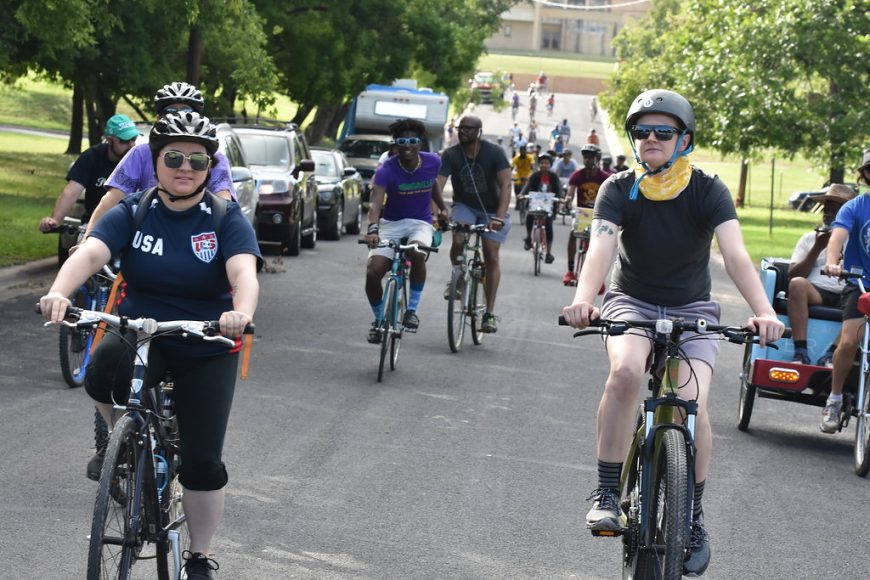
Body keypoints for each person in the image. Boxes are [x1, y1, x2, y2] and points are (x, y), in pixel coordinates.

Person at [560, 89, 784, 577]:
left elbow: (737, 254)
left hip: (692, 309)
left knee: (694, 404)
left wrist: (764, 310)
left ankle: (695, 518)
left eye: (664, 131)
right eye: (643, 131)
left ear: (684, 139)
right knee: (624, 374)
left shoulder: (708, 189)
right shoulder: (619, 187)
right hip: (631, 301)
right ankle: (605, 491)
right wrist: (584, 298)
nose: (652, 139)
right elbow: (601, 248)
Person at [39, 111, 261, 579]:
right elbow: (93, 251)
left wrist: (239, 313)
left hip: (207, 339)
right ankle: (129, 440)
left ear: (209, 167)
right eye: (173, 157)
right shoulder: (135, 210)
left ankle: (199, 556)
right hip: (143, 329)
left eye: (197, 161)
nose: (185, 167)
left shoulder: (224, 218)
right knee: (101, 371)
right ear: (155, 161)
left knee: (202, 462)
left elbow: (244, 272)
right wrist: (60, 291)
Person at [83, 82, 235, 240]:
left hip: (196, 238)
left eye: (186, 111)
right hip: (145, 238)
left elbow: (223, 201)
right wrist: (87, 240)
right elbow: (111, 199)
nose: (177, 116)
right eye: (169, 111)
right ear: (158, 117)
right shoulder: (140, 153)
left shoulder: (214, 157)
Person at [364, 119, 448, 342]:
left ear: (420, 143)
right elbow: (376, 203)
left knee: (417, 252)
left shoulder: (433, 162)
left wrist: (442, 207)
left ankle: (411, 311)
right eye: (402, 141)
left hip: (420, 222)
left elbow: (433, 185)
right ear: (395, 144)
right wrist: (373, 229)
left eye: (412, 141)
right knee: (373, 273)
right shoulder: (386, 170)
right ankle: (379, 320)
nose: (407, 146)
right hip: (390, 225)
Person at [437, 115, 512, 334]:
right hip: (465, 206)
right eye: (460, 128)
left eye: (468, 129)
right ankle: (457, 276)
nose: (463, 132)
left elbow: (506, 185)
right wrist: (438, 212)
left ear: (479, 131)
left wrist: (499, 217)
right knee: (459, 236)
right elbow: (438, 185)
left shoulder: (495, 153)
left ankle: (489, 313)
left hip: (492, 210)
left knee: (491, 254)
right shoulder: (451, 154)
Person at [821, 148, 870, 433]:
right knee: (849, 340)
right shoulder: (855, 206)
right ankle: (835, 398)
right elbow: (837, 238)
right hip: (859, 283)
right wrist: (831, 262)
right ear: (864, 175)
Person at [787, 184, 855, 364]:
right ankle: (800, 351)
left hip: (848, 294)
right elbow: (793, 274)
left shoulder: (858, 240)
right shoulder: (809, 238)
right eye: (827, 209)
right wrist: (817, 248)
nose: (828, 214)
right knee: (797, 284)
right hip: (817, 291)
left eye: (836, 210)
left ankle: (832, 353)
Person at [38, 114, 139, 235]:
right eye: (124, 140)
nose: (131, 145)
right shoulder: (92, 157)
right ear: (109, 140)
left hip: (129, 226)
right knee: (81, 251)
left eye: (134, 139)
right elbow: (72, 191)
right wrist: (55, 219)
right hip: (93, 225)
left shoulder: (139, 159)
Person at [562, 144, 610, 285]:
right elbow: (570, 194)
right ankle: (570, 271)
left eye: (591, 157)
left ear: (598, 159)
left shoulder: (605, 178)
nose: (587, 160)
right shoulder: (577, 175)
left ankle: (598, 279)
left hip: (599, 215)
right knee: (573, 235)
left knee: (601, 245)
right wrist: (567, 202)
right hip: (582, 214)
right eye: (585, 157)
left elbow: (611, 196)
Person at [520, 153, 562, 263]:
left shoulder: (554, 177)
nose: (544, 165)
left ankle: (548, 252)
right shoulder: (534, 176)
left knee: (548, 225)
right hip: (535, 204)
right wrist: (521, 194)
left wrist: (560, 198)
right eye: (542, 163)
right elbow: (527, 186)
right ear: (539, 164)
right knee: (529, 217)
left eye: (547, 163)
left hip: (549, 206)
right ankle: (529, 238)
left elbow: (559, 189)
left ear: (550, 165)